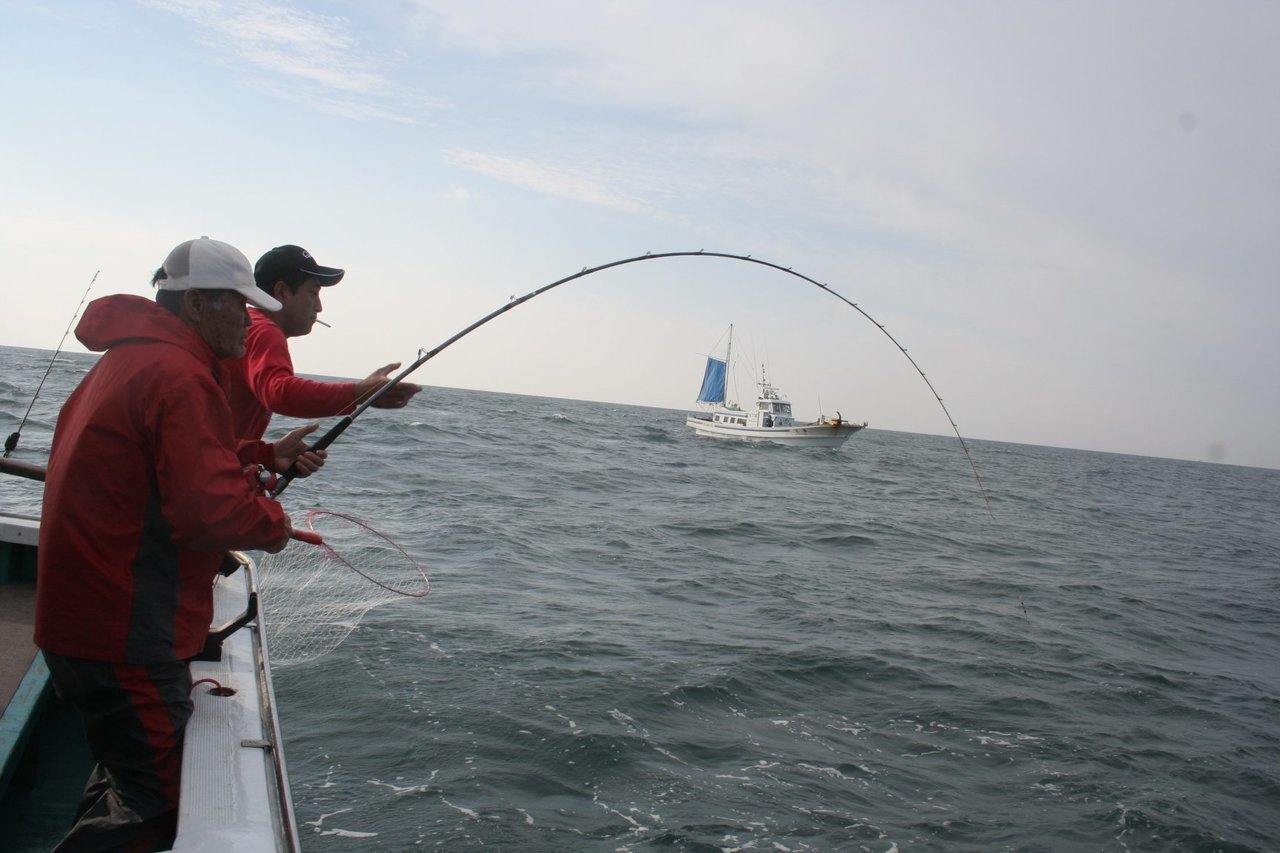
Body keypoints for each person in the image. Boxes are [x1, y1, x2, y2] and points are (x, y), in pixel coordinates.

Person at [35, 236, 327, 851]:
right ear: (197, 303)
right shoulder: (180, 375)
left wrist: (262, 453)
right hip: (123, 629)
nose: (246, 325)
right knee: (157, 804)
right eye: (235, 306)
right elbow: (209, 514)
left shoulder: (133, 358)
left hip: (85, 617)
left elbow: (162, 460)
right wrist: (271, 526)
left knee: (128, 774)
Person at [227, 244, 422, 441]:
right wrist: (359, 393)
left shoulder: (251, 327)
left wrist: (271, 457)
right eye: (314, 293)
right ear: (282, 292)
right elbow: (279, 393)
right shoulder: (264, 331)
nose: (319, 307)